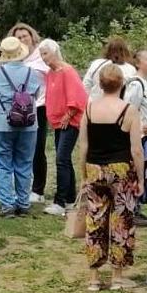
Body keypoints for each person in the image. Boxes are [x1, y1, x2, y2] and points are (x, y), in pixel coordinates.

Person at [76, 63, 144, 291]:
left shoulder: (89, 109)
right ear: (122, 84)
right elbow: (136, 149)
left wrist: (83, 174)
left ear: (100, 84)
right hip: (121, 169)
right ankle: (117, 276)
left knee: (95, 219)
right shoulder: (129, 110)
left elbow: (83, 146)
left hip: (95, 168)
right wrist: (140, 178)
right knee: (121, 220)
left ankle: (94, 277)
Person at [0, 36, 44, 216]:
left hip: (2, 124)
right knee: (25, 163)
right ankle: (23, 202)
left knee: (3, 164)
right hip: (28, 125)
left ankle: (7, 204)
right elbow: (37, 94)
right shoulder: (32, 73)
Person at [38, 39, 88, 216]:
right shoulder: (50, 73)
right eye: (41, 54)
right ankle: (69, 199)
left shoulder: (67, 71)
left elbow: (77, 97)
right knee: (64, 159)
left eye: (46, 54)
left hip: (70, 121)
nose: (43, 58)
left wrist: (68, 115)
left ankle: (59, 201)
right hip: (58, 121)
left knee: (61, 159)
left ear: (55, 52)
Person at [9, 22, 50, 203]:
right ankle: (21, 185)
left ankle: (38, 190)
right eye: (18, 37)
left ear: (32, 36)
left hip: (39, 106)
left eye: (25, 36)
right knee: (20, 147)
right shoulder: (14, 57)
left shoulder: (41, 55)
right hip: (18, 107)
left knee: (38, 147)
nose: (22, 39)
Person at [124, 48, 147, 227]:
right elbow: (129, 110)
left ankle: (136, 208)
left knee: (144, 172)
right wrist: (137, 130)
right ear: (138, 63)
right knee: (137, 171)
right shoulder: (136, 85)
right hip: (140, 136)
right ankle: (131, 210)